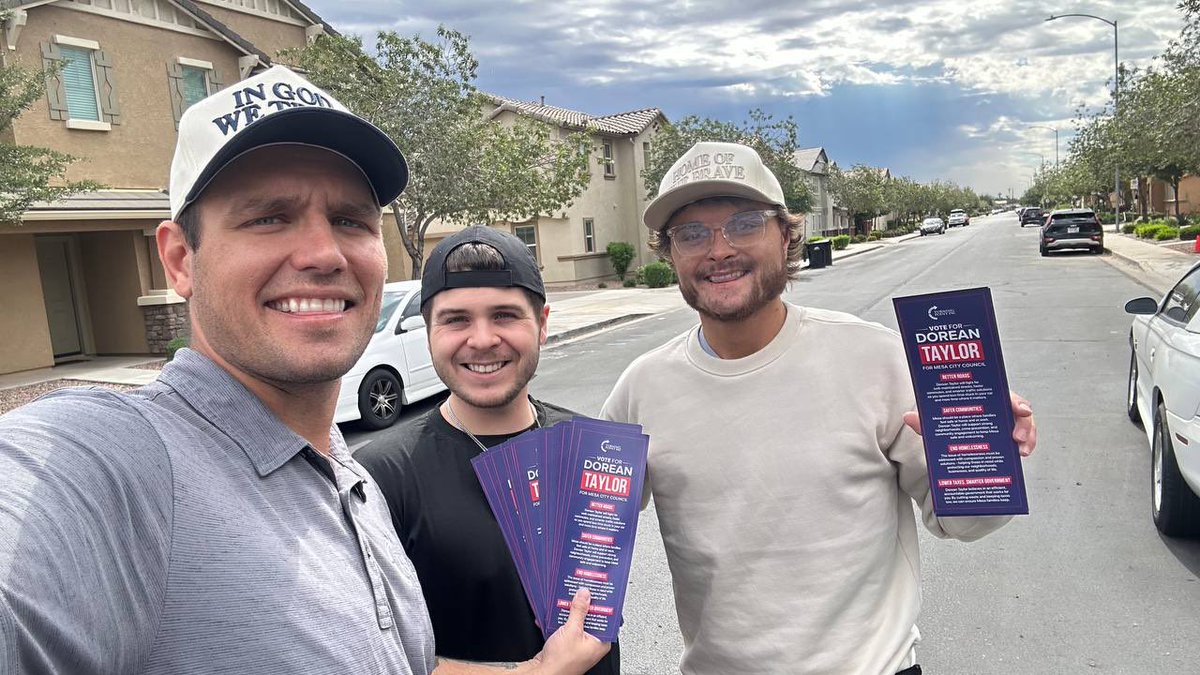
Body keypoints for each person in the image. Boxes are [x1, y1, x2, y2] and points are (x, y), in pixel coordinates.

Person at [0, 66, 607, 675]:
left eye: (349, 220)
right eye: (268, 217)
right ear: (181, 260)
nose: (323, 253)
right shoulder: (112, 462)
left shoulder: (344, 477)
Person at [600, 141, 1038, 675]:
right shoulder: (640, 389)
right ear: (668, 252)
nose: (718, 250)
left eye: (744, 224)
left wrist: (986, 456)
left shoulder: (873, 358)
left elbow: (966, 526)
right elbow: (585, 540)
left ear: (786, 236)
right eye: (691, 233)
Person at [357, 227, 620, 673]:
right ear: (429, 334)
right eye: (456, 319)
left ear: (541, 324)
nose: (481, 339)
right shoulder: (380, 475)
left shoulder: (592, 447)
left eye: (504, 315)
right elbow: (376, 656)